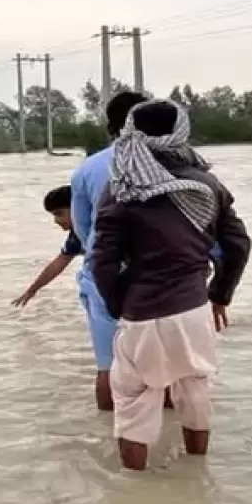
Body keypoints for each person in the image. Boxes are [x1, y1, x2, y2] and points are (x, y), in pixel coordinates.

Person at [92, 99, 250, 471]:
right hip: (194, 309)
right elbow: (238, 245)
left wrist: (119, 304)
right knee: (195, 388)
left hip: (142, 311)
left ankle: (135, 490)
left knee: (134, 402)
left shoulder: (122, 188)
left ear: (131, 130)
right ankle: (197, 471)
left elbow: (102, 260)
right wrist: (219, 296)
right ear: (182, 131)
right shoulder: (208, 184)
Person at [69, 91, 149, 411]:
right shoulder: (177, 164)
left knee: (108, 366)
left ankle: (109, 442)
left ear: (109, 128)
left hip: (105, 275)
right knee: (169, 372)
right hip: (162, 279)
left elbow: (83, 229)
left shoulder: (88, 170)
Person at [12, 186, 83, 308]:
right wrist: (32, 289)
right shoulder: (77, 235)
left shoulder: (103, 226)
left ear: (78, 208)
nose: (56, 220)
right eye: (53, 215)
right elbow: (60, 262)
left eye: (59, 213)